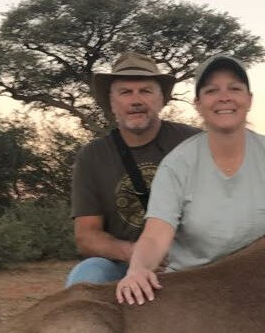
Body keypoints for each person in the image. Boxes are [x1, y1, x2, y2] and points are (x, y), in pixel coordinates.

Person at [116, 54, 265, 304]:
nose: (224, 97)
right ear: (198, 103)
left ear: (249, 99)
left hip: (264, 286)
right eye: (212, 91)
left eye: (235, 88)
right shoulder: (177, 164)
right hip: (193, 287)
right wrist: (138, 270)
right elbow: (156, 235)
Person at [66, 52, 199, 287]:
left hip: (191, 260)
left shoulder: (194, 143)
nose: (136, 100)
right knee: (88, 275)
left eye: (146, 91)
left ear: (161, 100)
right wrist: (136, 254)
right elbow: (86, 235)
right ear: (112, 102)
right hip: (123, 263)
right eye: (125, 92)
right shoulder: (92, 157)